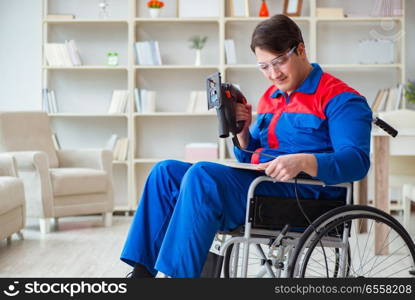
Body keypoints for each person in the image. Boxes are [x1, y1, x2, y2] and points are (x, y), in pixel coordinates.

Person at [120, 14, 372, 278]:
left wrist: (303, 161)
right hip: (264, 186)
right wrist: (243, 135)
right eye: (264, 66)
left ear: (300, 49)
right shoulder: (270, 97)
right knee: (165, 172)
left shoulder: (341, 98)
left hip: (307, 196)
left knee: (203, 176)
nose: (273, 74)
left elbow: (356, 162)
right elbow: (254, 157)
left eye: (279, 62)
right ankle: (141, 276)